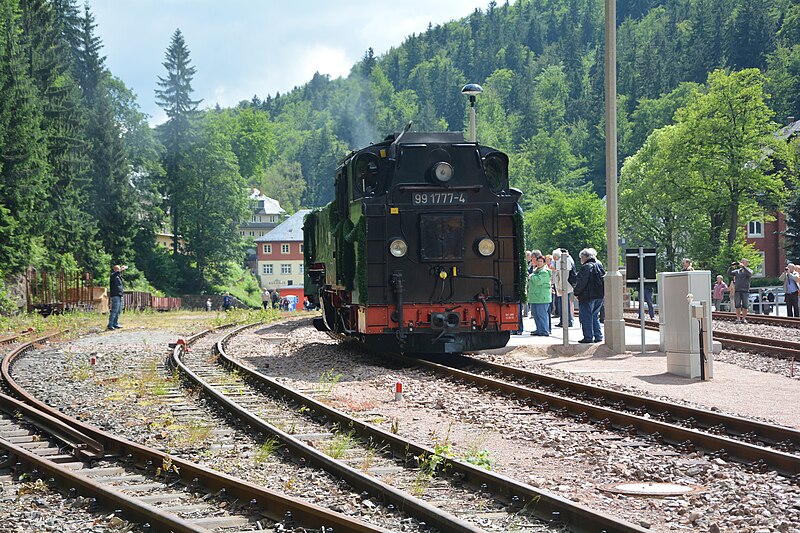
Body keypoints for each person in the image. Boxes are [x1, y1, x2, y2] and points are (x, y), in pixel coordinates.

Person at [574, 248, 605, 343]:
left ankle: (588, 337)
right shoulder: (599, 266)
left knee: (586, 317)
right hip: (599, 295)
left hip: (587, 296)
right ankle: (598, 335)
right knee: (595, 316)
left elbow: (581, 282)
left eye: (581, 258)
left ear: (584, 257)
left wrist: (576, 293)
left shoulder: (586, 267)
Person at [527, 255, 552, 336]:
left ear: (544, 263)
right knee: (536, 315)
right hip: (535, 297)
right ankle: (539, 329)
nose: (539, 263)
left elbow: (538, 281)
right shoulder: (536, 271)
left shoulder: (544, 272)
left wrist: (531, 276)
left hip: (542, 297)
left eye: (541, 261)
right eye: (538, 261)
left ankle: (545, 331)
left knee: (542, 315)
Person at [551, 249, 575, 327]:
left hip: (564, 287)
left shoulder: (562, 262)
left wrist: (561, 288)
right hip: (565, 287)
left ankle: (566, 321)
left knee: (564, 305)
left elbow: (563, 276)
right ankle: (566, 320)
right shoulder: (566, 260)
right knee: (564, 304)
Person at [727, 259, 753, 323]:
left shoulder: (749, 270)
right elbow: (729, 273)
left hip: (745, 290)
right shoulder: (737, 271)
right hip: (737, 290)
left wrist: (743, 267)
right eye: (741, 262)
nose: (742, 263)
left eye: (744, 262)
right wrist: (731, 267)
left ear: (747, 263)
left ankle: (743, 318)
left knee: (745, 305)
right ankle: (738, 318)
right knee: (737, 305)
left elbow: (749, 274)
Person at [107, 264, 127, 331]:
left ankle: (115, 323)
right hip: (115, 295)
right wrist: (120, 270)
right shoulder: (113, 275)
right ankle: (110, 324)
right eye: (117, 269)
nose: (119, 270)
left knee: (119, 310)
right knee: (114, 311)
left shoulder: (118, 276)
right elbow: (114, 275)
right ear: (115, 269)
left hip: (119, 295)